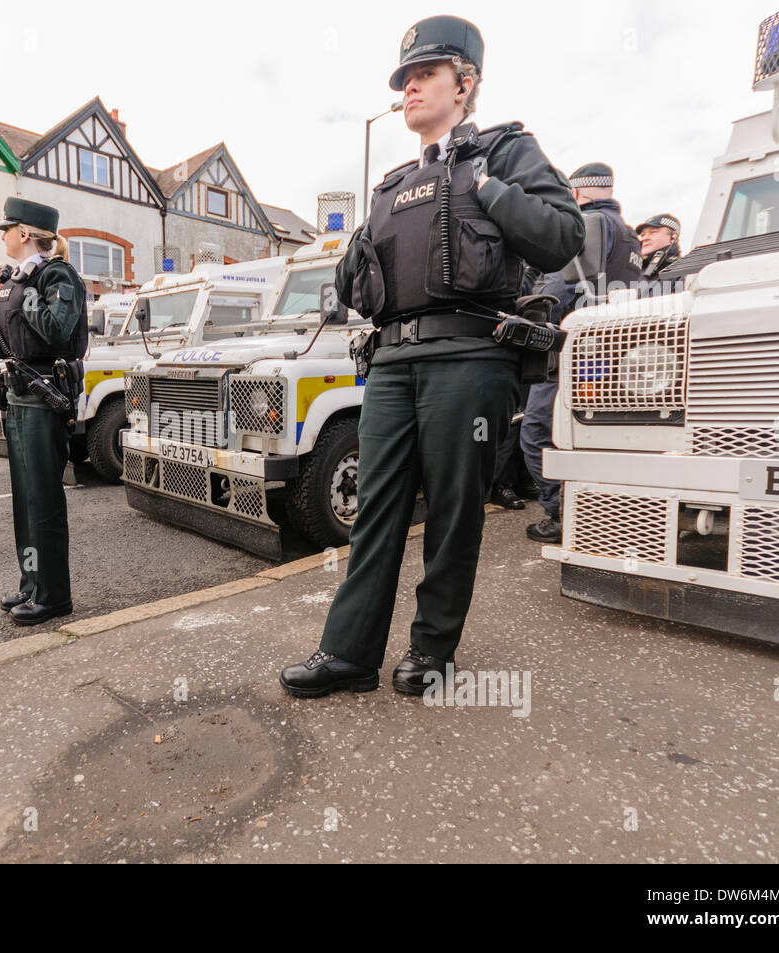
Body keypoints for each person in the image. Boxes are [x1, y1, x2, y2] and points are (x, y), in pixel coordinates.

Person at [279, 14, 584, 698]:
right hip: (392, 363)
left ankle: (431, 650)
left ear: (465, 83)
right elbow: (361, 290)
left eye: (425, 75)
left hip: (470, 357)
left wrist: (492, 194)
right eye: (406, 79)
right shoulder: (390, 185)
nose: (410, 89)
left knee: (452, 511)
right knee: (376, 506)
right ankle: (348, 653)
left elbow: (563, 236)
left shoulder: (505, 152)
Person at [522, 162, 643, 544]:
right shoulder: (629, 236)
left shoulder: (584, 227)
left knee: (537, 432)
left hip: (574, 356)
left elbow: (554, 297)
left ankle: (563, 513)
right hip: (618, 356)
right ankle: (608, 514)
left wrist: (525, 317)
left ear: (576, 193)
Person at [0, 198, 87, 622]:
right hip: (19, 396)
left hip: (44, 397)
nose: (4, 236)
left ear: (25, 233)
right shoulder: (15, 278)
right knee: (26, 502)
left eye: (7, 229)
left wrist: (26, 289)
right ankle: (31, 584)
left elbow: (55, 328)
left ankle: (53, 596)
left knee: (43, 501)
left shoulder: (56, 274)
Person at [637, 213, 682, 281]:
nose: (644, 238)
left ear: (673, 237)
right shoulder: (633, 270)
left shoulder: (683, 270)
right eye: (643, 235)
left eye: (653, 232)